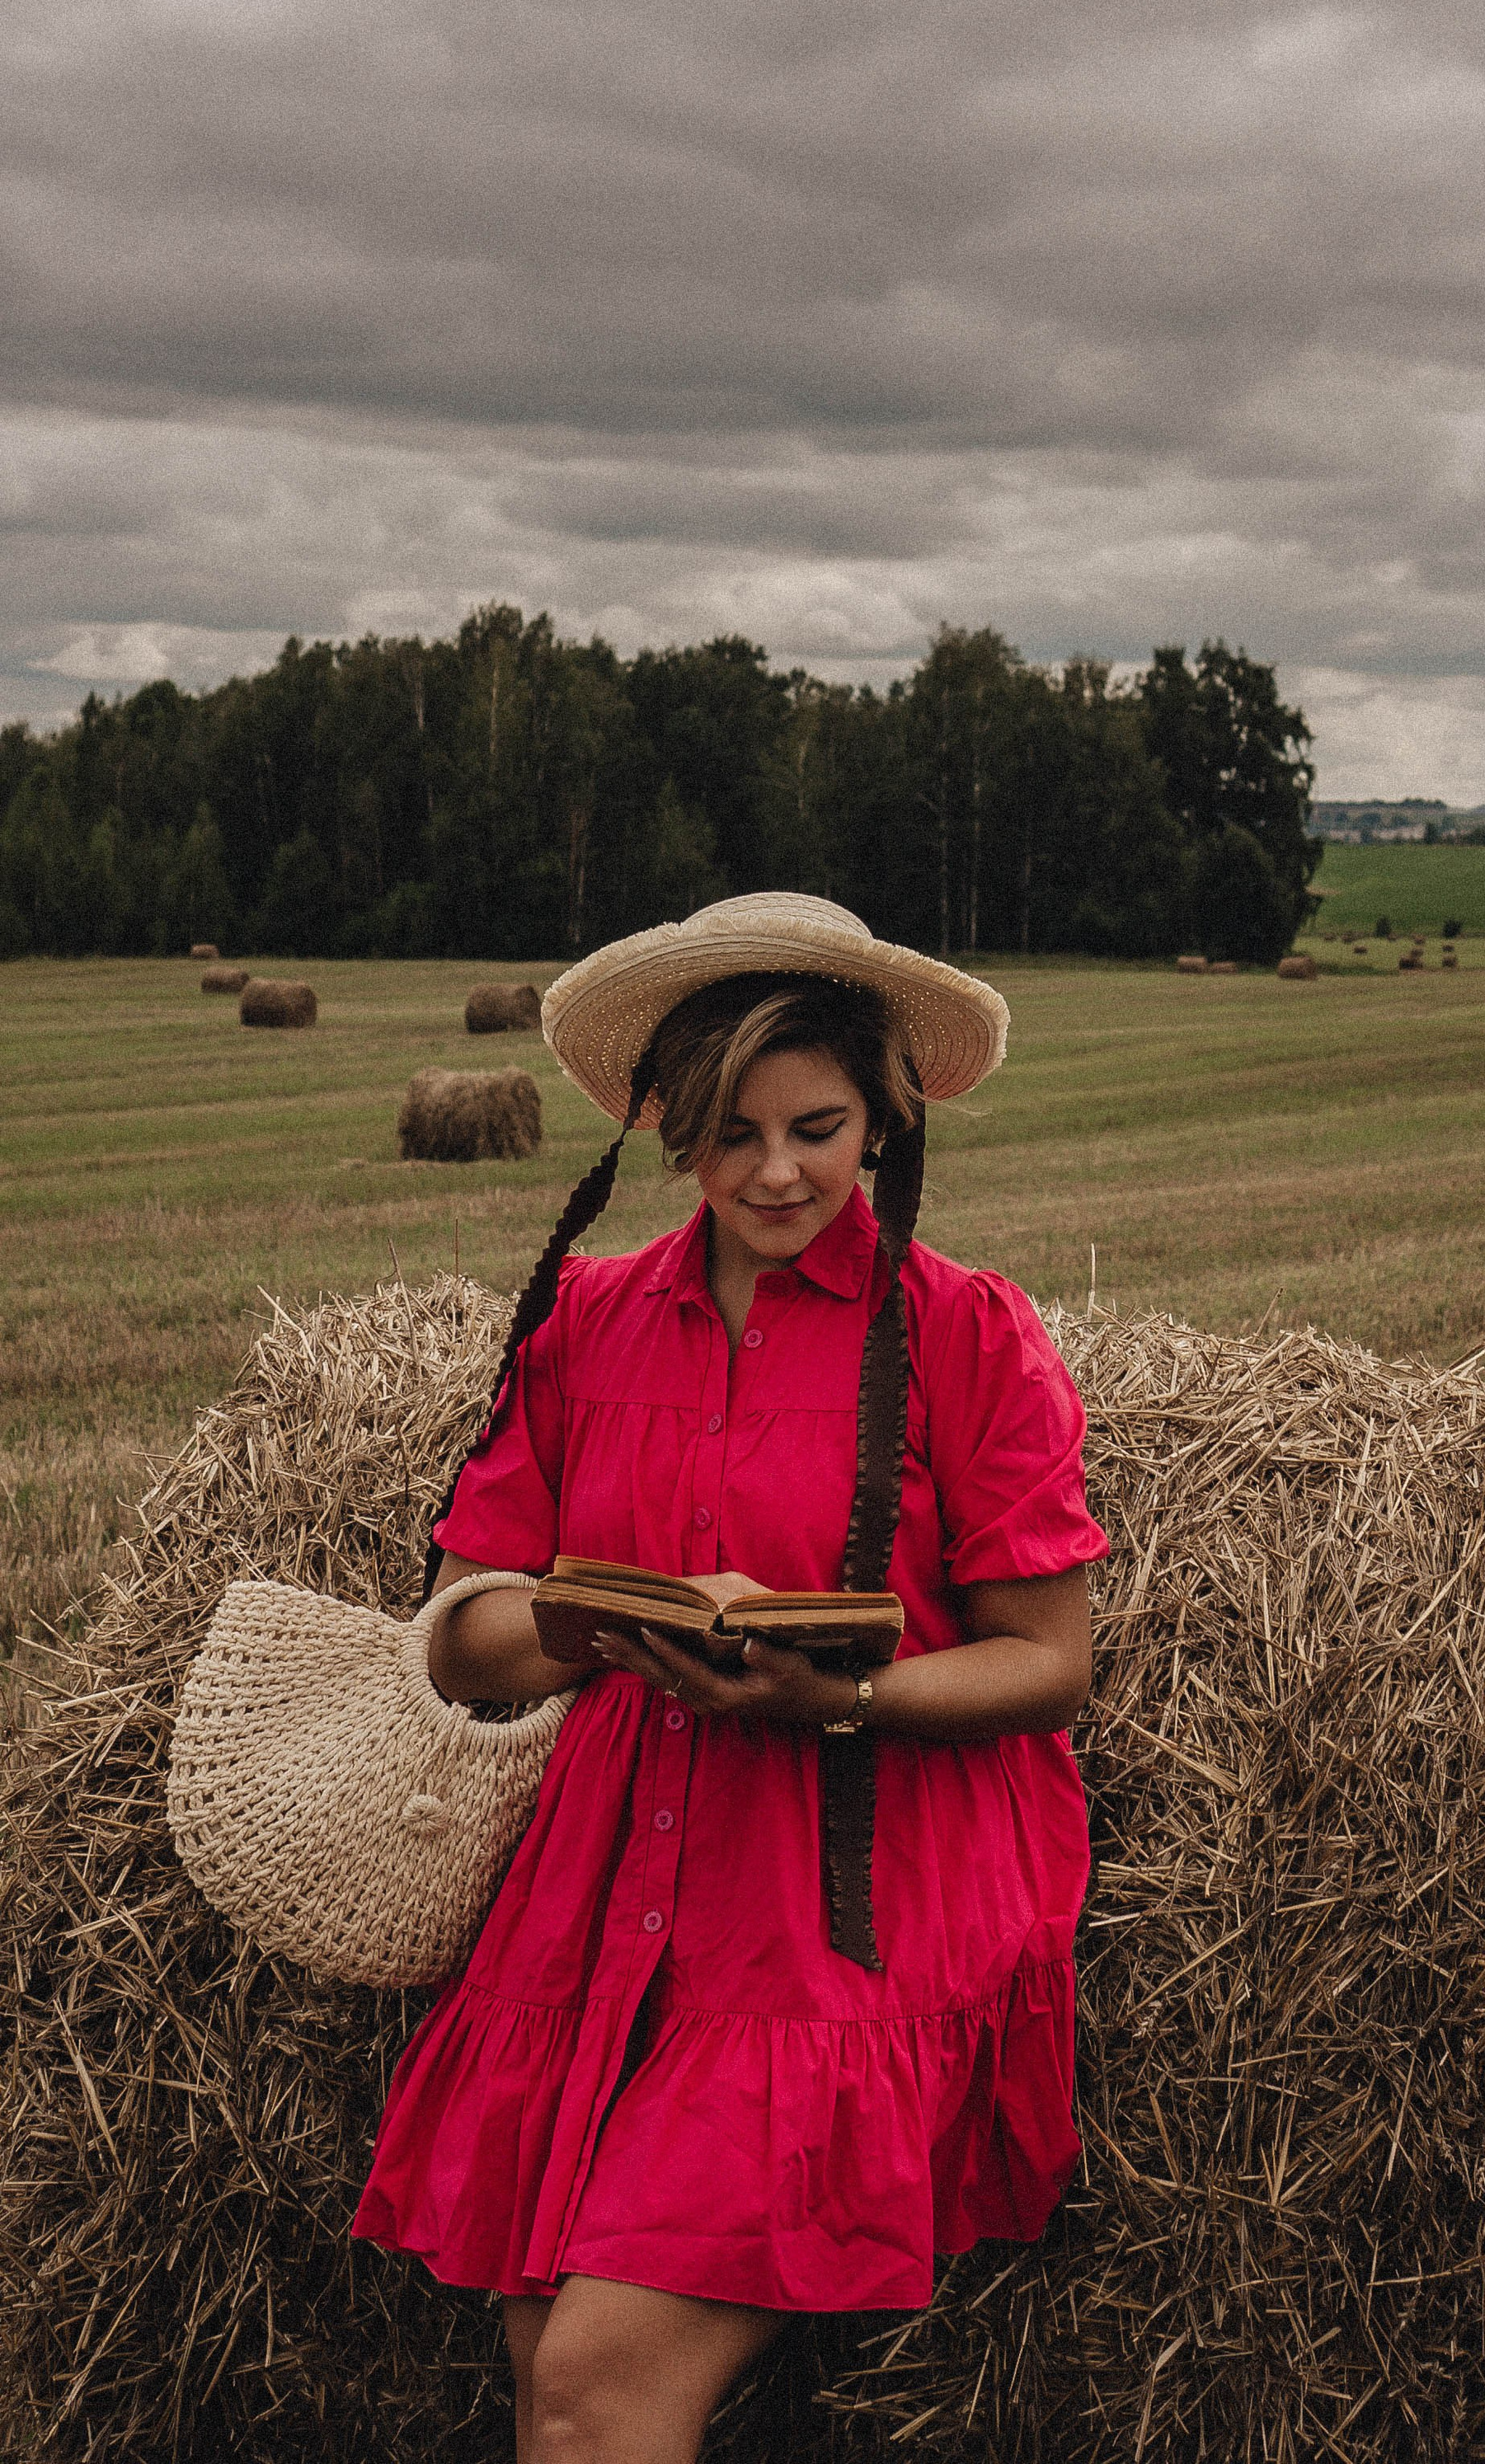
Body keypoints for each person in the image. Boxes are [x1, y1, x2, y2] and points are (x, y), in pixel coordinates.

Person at [353, 893, 1107, 2464]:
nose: (776, 1174)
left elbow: (1051, 1663)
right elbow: (463, 1631)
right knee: (551, 2366)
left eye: (816, 1129)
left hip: (847, 1894)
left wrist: (825, 1692)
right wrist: (592, 1622)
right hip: (609, 1889)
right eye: (730, 1134)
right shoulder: (589, 1321)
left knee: (594, 2391)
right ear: (673, 1135)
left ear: (882, 1122)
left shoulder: (965, 1336)